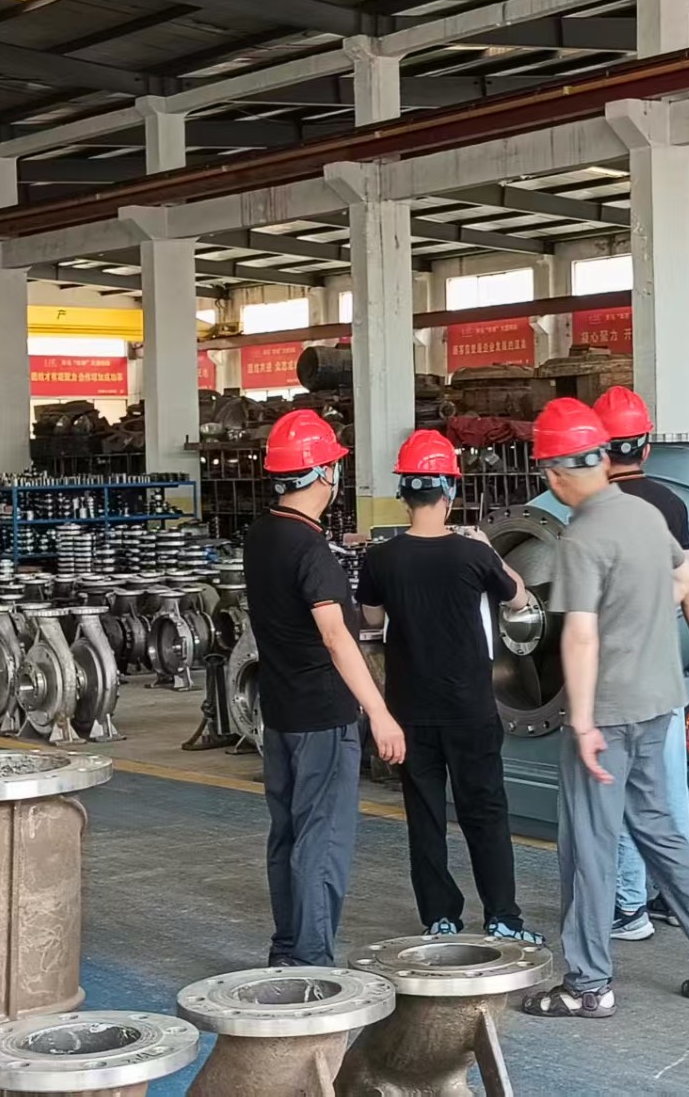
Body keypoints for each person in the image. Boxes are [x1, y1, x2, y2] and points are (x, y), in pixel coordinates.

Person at [520, 398, 689, 1019]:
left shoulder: (582, 536)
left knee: (589, 846)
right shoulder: (648, 514)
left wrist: (582, 720)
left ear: (556, 473)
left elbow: (580, 635)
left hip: (610, 711)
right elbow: (686, 582)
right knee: (657, 828)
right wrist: (682, 640)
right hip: (658, 702)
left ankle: (588, 985)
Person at [356, 429, 542, 944]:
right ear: (450, 491)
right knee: (485, 811)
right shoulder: (472, 555)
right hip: (470, 709)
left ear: (404, 493)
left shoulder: (381, 558)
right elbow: (519, 598)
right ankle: (502, 917)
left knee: (425, 815)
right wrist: (488, 550)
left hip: (409, 710)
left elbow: (372, 618)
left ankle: (439, 916)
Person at [242, 409, 407, 968]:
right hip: (322, 715)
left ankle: (287, 947)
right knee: (323, 838)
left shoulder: (261, 535)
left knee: (288, 831)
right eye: (334, 467)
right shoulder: (310, 550)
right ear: (322, 475)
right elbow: (337, 638)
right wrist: (380, 712)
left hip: (280, 710)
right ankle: (311, 959)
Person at [593, 385, 689, 942]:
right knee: (669, 786)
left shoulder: (595, 509)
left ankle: (629, 908)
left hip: (618, 668)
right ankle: (673, 896)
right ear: (646, 447)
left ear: (599, 449)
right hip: (666, 661)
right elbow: (688, 585)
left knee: (626, 789)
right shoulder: (671, 504)